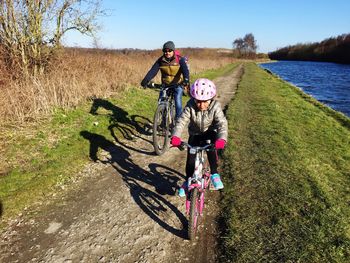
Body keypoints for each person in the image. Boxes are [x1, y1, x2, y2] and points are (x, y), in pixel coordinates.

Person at [170, 78, 228, 197]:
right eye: (198, 101)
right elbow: (181, 121)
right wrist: (175, 136)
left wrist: (221, 139)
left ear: (211, 99)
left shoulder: (215, 106)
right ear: (194, 99)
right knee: (190, 160)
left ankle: (215, 174)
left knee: (211, 150)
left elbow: (222, 123)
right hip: (195, 134)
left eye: (205, 101)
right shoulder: (190, 106)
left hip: (210, 133)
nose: (201, 105)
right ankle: (187, 181)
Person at [140, 41, 190, 119]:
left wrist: (186, 79)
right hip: (165, 84)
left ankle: (178, 121)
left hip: (177, 84)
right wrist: (145, 80)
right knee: (161, 102)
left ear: (173, 51)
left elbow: (185, 70)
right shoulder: (160, 60)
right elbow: (153, 71)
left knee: (178, 102)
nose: (167, 53)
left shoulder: (179, 59)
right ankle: (162, 121)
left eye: (169, 50)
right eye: (165, 51)